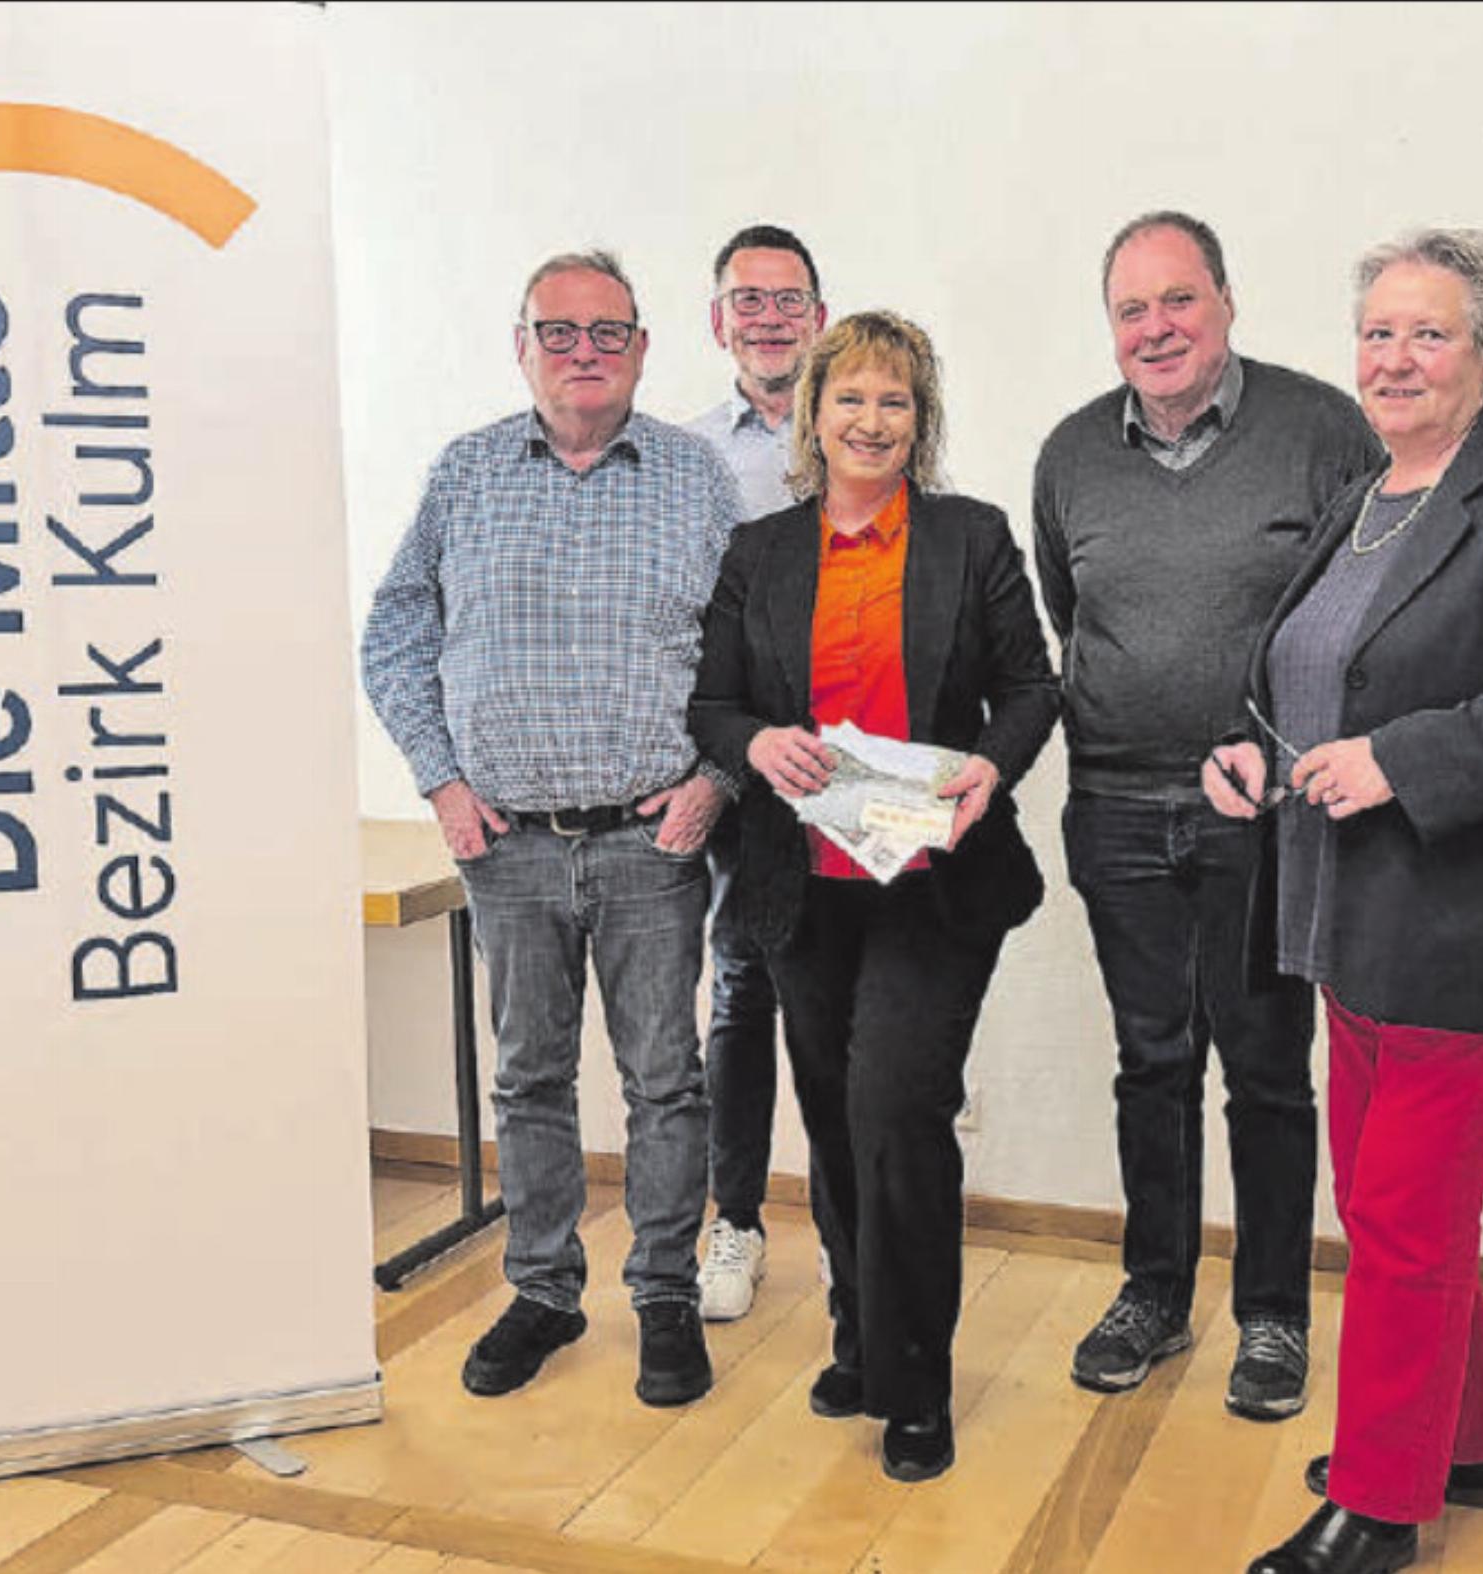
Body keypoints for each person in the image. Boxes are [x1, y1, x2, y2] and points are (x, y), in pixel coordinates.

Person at [1205, 228, 1483, 1574]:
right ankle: (1469, 1441)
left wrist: (1401, 761)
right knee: (1399, 1206)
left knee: (1399, 1216)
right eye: (1378, 333)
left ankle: (1385, 1505)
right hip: (1347, 914)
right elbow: (1313, 681)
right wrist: (1252, 749)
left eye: (1430, 333)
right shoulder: (1364, 494)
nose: (1395, 358)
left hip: (1475, 924)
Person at [362, 249, 742, 1410]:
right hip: (508, 845)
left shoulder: (697, 477)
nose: (585, 352)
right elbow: (391, 635)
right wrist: (440, 780)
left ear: (642, 347)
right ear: (518, 343)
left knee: (665, 1080)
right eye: (559, 331)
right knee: (528, 1079)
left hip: (650, 842)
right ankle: (543, 1289)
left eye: (608, 332)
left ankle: (665, 1295)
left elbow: (761, 646)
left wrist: (718, 778)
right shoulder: (466, 472)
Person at [689, 311, 1059, 1482]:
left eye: (895, 401)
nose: (872, 421)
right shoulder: (760, 553)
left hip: (933, 880)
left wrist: (991, 765)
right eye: (850, 398)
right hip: (806, 885)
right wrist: (757, 745)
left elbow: (1031, 688)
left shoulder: (972, 536)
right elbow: (712, 702)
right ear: (812, 414)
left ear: (921, 417)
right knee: (836, 1111)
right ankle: (858, 1328)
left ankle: (916, 1380)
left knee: (898, 1108)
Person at [1032, 211, 1383, 1419]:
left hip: (1265, 810)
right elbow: (1066, 605)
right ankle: (1153, 1293)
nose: (1156, 328)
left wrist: (1282, 753)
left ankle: (1275, 1312)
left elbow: (1366, 609)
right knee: (1152, 1061)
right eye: (1131, 310)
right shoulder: (1072, 452)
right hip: (1117, 807)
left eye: (1178, 301)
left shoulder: (1319, 430)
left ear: (1226, 303)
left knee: (1269, 1071)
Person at [685, 224, 829, 1322]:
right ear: (718, 321)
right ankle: (735, 1220)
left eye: (788, 299)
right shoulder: (687, 458)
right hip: (741, 770)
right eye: (749, 300)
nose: (769, 317)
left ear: (818, 316)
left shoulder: (867, 426)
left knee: (850, 1005)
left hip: (854, 767)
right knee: (741, 995)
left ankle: (850, 1223)